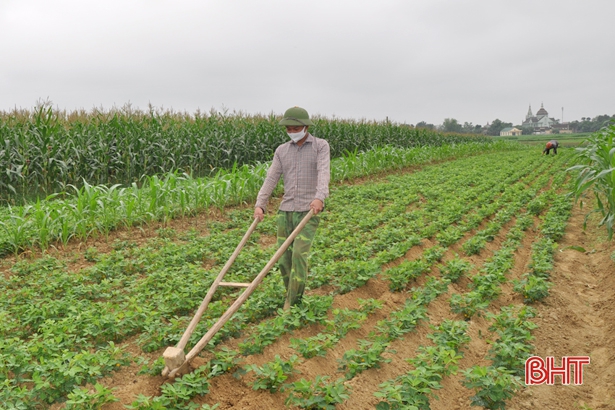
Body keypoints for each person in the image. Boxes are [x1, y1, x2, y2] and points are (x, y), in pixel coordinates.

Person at [254, 106, 330, 309]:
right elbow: (271, 178)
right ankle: (291, 295)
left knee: (299, 255)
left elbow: (324, 173)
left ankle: (292, 303)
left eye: (295, 128)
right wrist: (260, 204)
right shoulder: (282, 151)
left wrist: (319, 197)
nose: (291, 131)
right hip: (285, 210)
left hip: (308, 210)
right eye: (288, 128)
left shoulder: (320, 146)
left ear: (305, 127)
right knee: (283, 258)